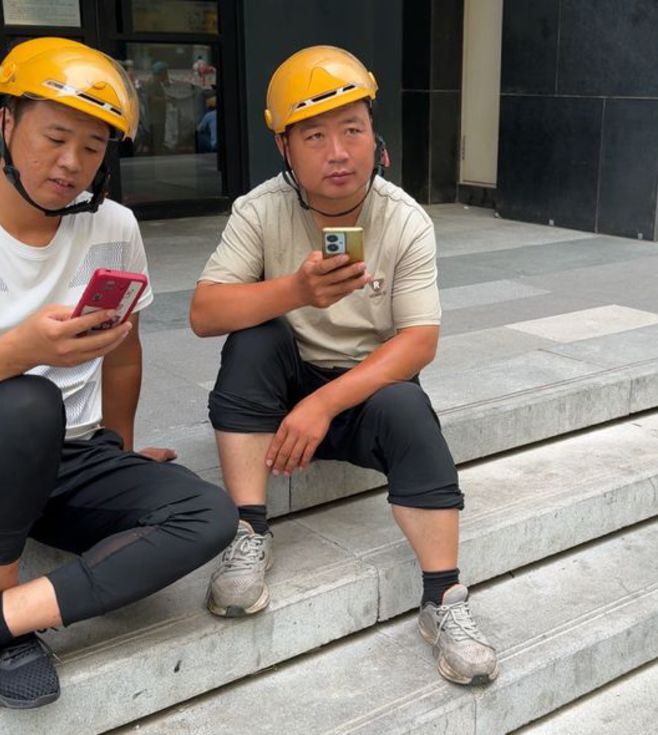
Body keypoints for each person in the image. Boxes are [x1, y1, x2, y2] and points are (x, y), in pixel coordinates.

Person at [0, 38, 236, 733]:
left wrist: (117, 447)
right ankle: (0, 613)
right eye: (55, 136)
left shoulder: (114, 225)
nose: (71, 163)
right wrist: (21, 348)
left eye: (93, 148)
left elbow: (121, 353)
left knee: (209, 515)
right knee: (27, 397)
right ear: (4, 123)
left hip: (60, 457)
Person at [189, 45, 499, 686]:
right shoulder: (259, 210)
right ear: (283, 146)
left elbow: (418, 342)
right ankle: (250, 530)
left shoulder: (404, 219)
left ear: (373, 135)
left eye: (352, 129)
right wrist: (295, 292)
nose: (338, 152)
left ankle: (443, 598)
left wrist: (324, 403)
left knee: (407, 403)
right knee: (252, 338)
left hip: (359, 393)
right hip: (279, 389)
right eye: (316, 135)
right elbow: (204, 312)